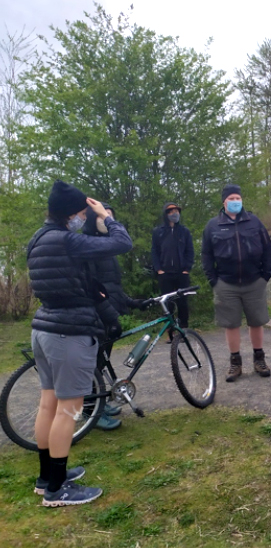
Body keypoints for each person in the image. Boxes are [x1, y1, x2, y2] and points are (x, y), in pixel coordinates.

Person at [27, 180, 132, 506]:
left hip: (44, 328)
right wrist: (106, 218)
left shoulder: (39, 238)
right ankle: (58, 490)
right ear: (71, 213)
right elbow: (122, 243)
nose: (84, 218)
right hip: (68, 332)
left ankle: (47, 478)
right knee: (69, 410)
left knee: (48, 405)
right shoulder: (68, 241)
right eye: (82, 213)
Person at [82, 203, 150, 430]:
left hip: (109, 315)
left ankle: (98, 404)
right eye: (103, 216)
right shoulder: (88, 246)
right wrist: (109, 316)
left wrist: (132, 303)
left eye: (111, 216)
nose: (107, 219)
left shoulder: (107, 247)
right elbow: (92, 288)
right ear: (93, 219)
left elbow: (112, 286)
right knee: (93, 363)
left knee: (100, 363)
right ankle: (91, 411)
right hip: (97, 315)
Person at [202, 184, 271, 381]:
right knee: (231, 324)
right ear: (224, 201)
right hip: (226, 283)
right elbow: (206, 255)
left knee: (256, 322)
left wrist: (265, 275)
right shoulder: (213, 225)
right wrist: (213, 280)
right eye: (231, 199)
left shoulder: (254, 222)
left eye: (237, 198)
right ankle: (235, 363)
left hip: (254, 281)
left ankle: (259, 359)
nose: (235, 202)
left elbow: (267, 249)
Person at [151, 202, 194, 334]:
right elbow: (154, 252)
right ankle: (170, 332)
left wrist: (187, 268)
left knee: (183, 303)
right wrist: (159, 270)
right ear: (166, 214)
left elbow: (190, 251)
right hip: (165, 274)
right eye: (170, 211)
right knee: (167, 304)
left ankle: (184, 331)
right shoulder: (158, 232)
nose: (174, 214)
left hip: (182, 273)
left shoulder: (184, 231)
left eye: (176, 211)